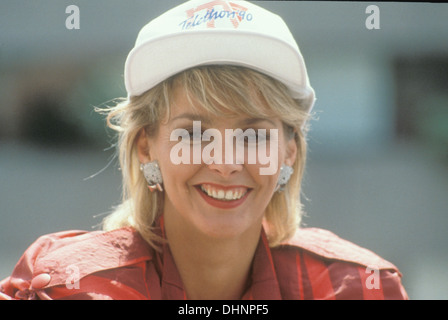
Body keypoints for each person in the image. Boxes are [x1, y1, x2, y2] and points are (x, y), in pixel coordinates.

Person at [0, 0, 408, 300]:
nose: (226, 162)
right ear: (146, 146)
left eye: (254, 136)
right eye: (194, 133)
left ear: (290, 152)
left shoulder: (361, 287)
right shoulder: (64, 287)